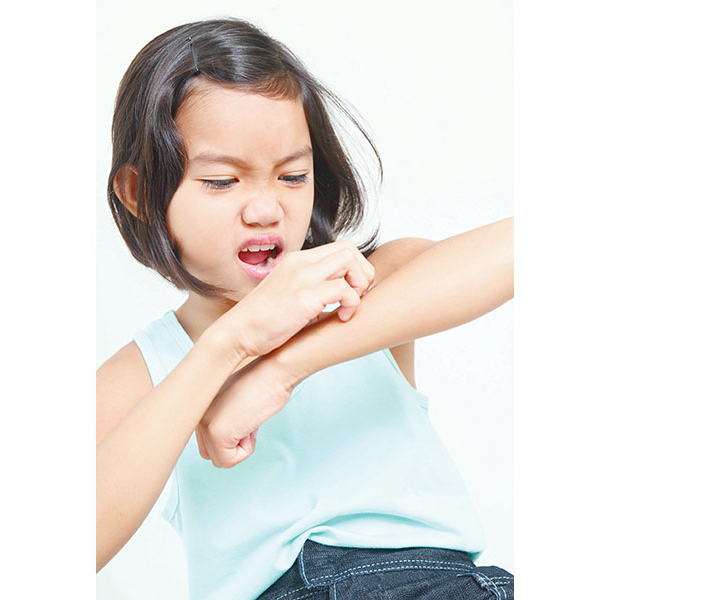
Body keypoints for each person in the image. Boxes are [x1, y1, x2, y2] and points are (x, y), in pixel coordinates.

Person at [97, 17, 514, 600]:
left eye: (293, 175)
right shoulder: (142, 371)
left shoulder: (364, 286)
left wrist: (281, 367)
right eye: (222, 182)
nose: (266, 209)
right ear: (139, 192)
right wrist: (229, 345)